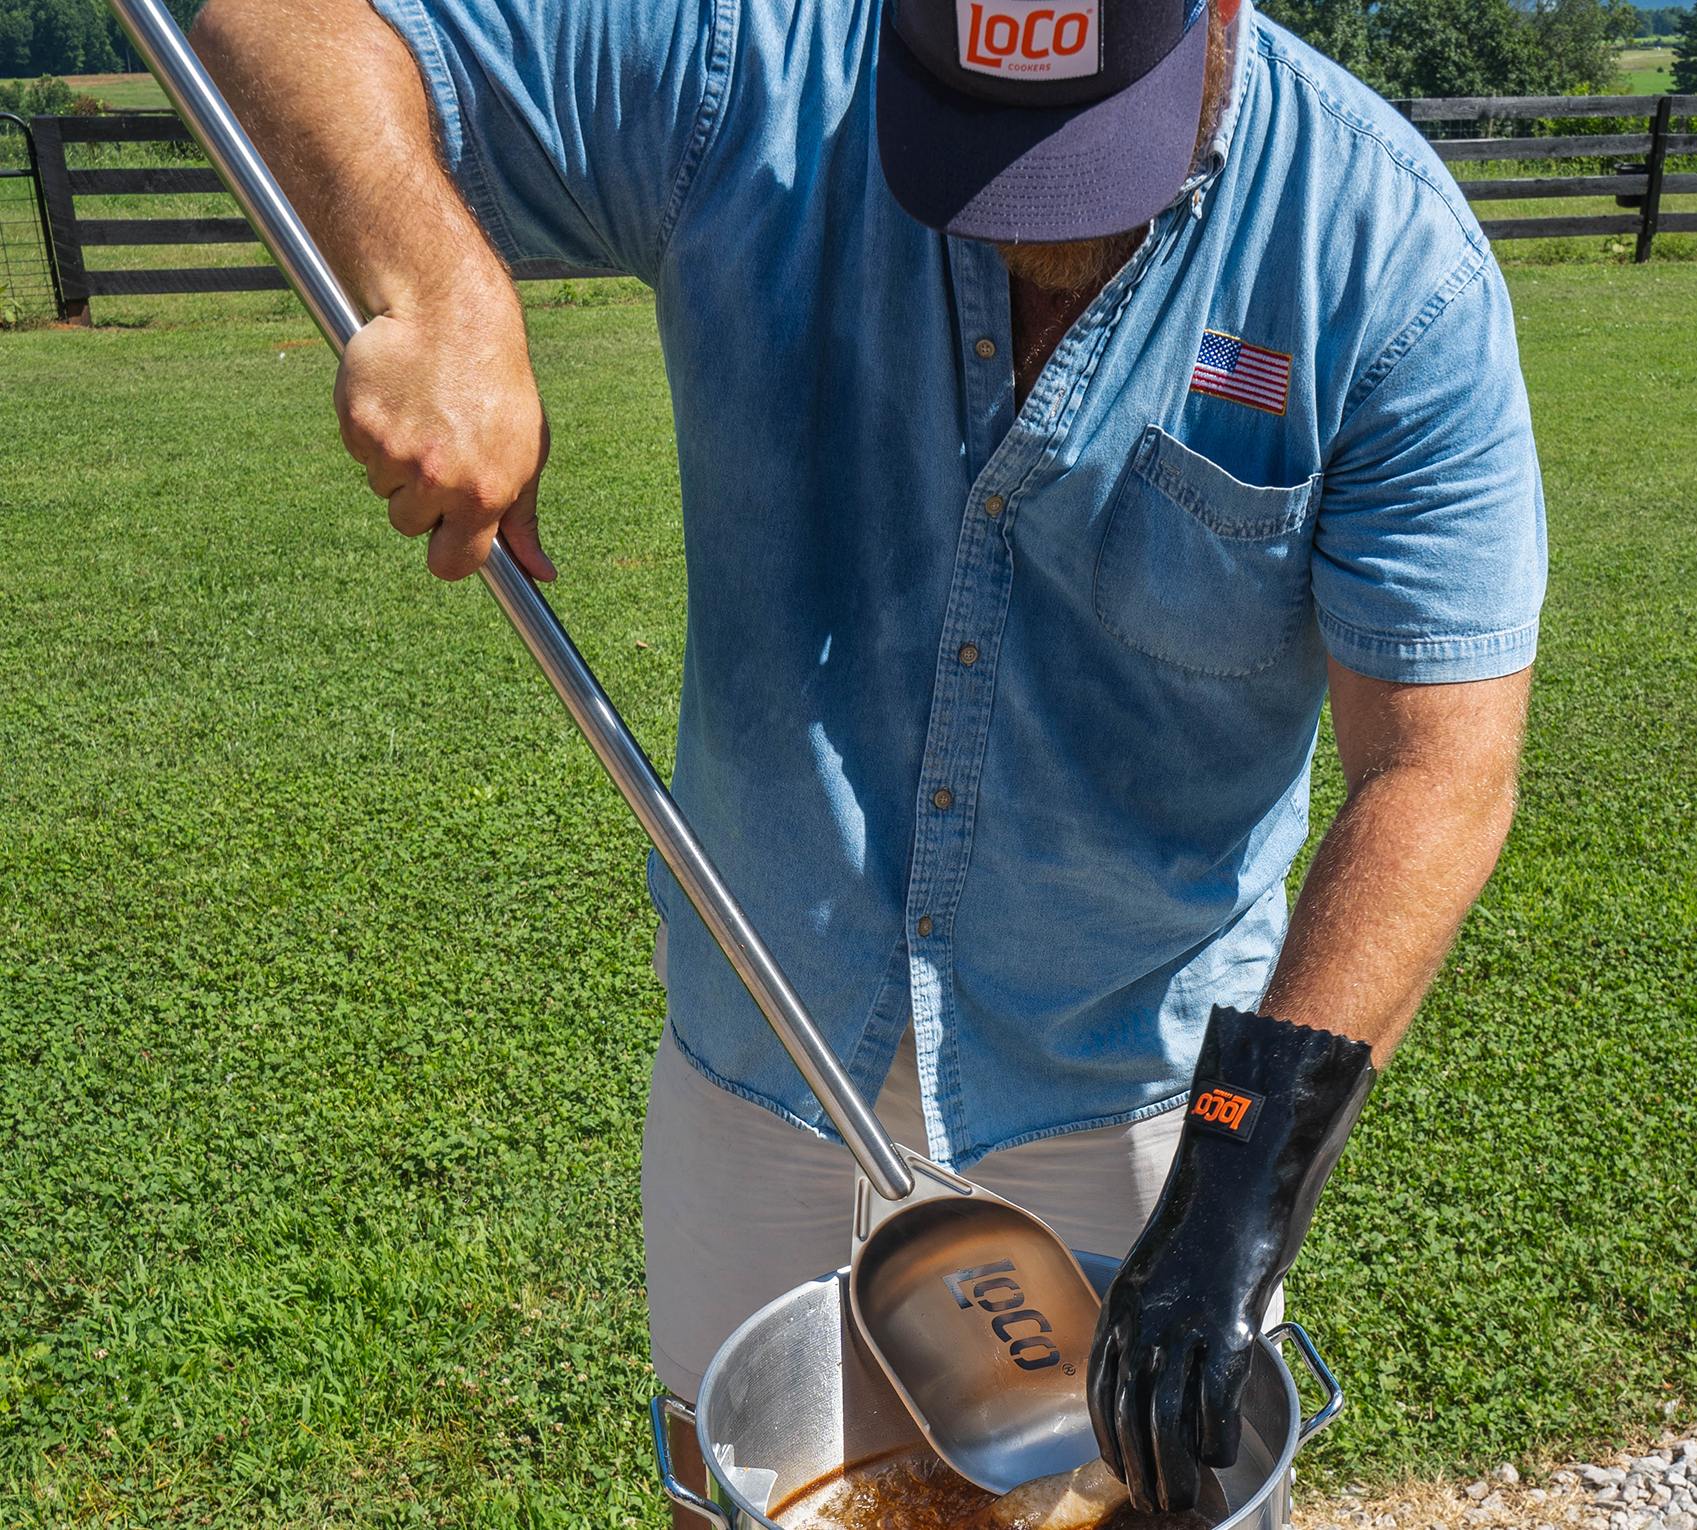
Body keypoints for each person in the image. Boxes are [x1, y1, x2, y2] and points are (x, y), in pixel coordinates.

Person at [191, 0, 1546, 1506]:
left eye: (1083, 147)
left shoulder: (1384, 256)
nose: (1031, 217)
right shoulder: (744, 72)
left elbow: (1437, 771)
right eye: (977, 137)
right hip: (760, 1058)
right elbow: (282, 22)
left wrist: (1238, 1177)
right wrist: (435, 277)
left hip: (1138, 1085)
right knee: (746, 1483)